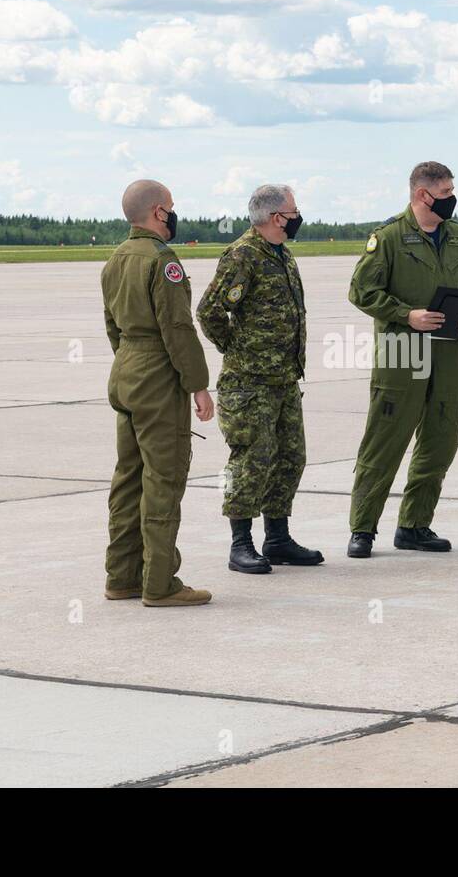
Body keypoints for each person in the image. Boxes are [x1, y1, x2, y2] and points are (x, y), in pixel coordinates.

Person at [346, 161, 458, 558]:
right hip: (401, 352)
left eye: (451, 191)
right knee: (384, 442)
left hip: (449, 353)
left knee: (440, 441)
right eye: (444, 194)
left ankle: (414, 525)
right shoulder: (389, 238)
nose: (451, 200)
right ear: (421, 195)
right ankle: (362, 528)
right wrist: (405, 314)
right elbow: (361, 292)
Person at [197, 184, 323, 575]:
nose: (298, 217)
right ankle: (240, 543)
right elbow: (209, 312)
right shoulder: (243, 255)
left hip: (284, 379)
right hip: (249, 382)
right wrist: (238, 350)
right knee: (252, 460)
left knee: (290, 458)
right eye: (293, 211)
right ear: (274, 217)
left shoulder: (280, 254)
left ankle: (278, 537)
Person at [100, 179, 214, 607]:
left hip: (126, 369)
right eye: (171, 207)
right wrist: (197, 385)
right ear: (157, 212)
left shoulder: (116, 259)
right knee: (163, 478)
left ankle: (122, 576)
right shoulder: (162, 261)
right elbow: (178, 329)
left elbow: (113, 325)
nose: (174, 213)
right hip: (157, 373)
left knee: (128, 479)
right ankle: (160, 582)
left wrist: (130, 361)